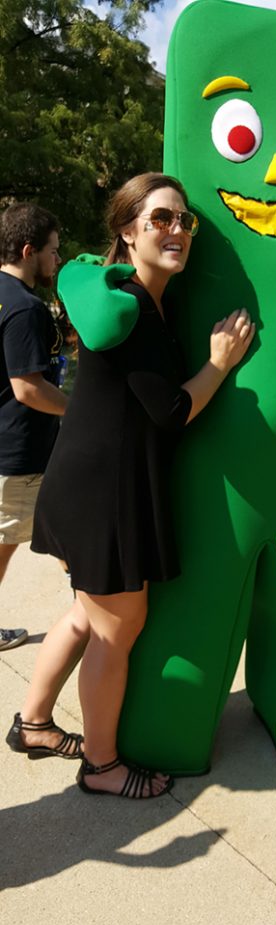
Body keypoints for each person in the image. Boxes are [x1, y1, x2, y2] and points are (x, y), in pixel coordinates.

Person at [6, 172, 255, 798]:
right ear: (128, 231)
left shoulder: (137, 298)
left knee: (87, 617)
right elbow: (169, 411)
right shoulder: (134, 309)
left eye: (184, 221)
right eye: (160, 219)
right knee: (119, 631)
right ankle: (103, 766)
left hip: (89, 484)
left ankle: (33, 725)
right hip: (104, 495)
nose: (176, 230)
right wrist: (219, 365)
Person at [0, 204, 66, 651]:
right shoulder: (25, 308)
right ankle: (105, 619)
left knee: (54, 533)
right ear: (29, 250)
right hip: (21, 453)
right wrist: (78, 410)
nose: (57, 260)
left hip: (12, 447)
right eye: (53, 251)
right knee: (58, 538)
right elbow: (28, 389)